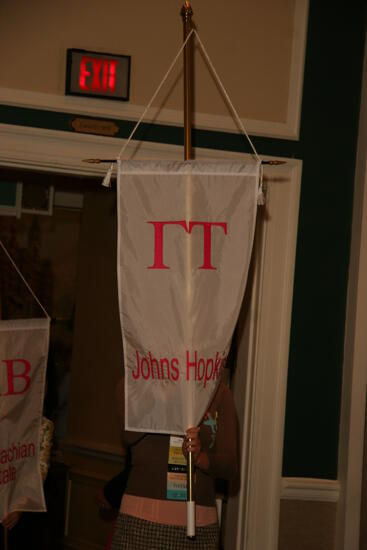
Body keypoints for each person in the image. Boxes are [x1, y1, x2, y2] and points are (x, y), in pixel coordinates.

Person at [111, 377, 238, 549]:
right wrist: (157, 396)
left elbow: (230, 466)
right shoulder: (134, 383)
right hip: (140, 524)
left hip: (200, 528)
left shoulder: (218, 391)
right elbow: (127, 435)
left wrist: (200, 458)